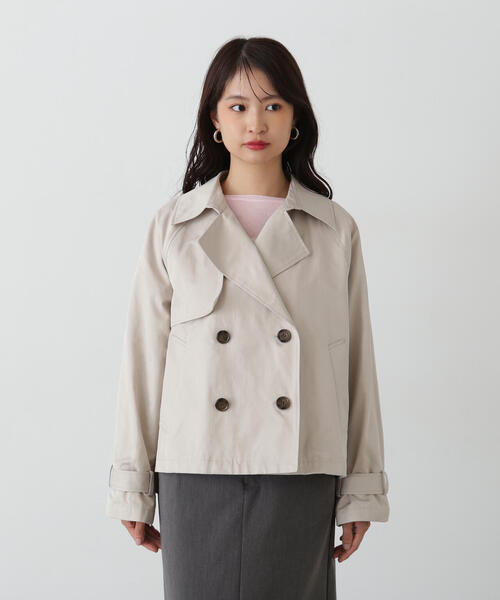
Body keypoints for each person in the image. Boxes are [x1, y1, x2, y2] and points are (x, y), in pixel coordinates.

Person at [106, 36, 390, 599]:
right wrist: (132, 486)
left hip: (302, 465)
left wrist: (361, 489)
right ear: (214, 118)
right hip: (196, 466)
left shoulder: (334, 230)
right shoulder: (174, 227)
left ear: (295, 118)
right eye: (238, 105)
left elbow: (357, 366)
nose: (255, 122)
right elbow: (143, 362)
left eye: (273, 105)